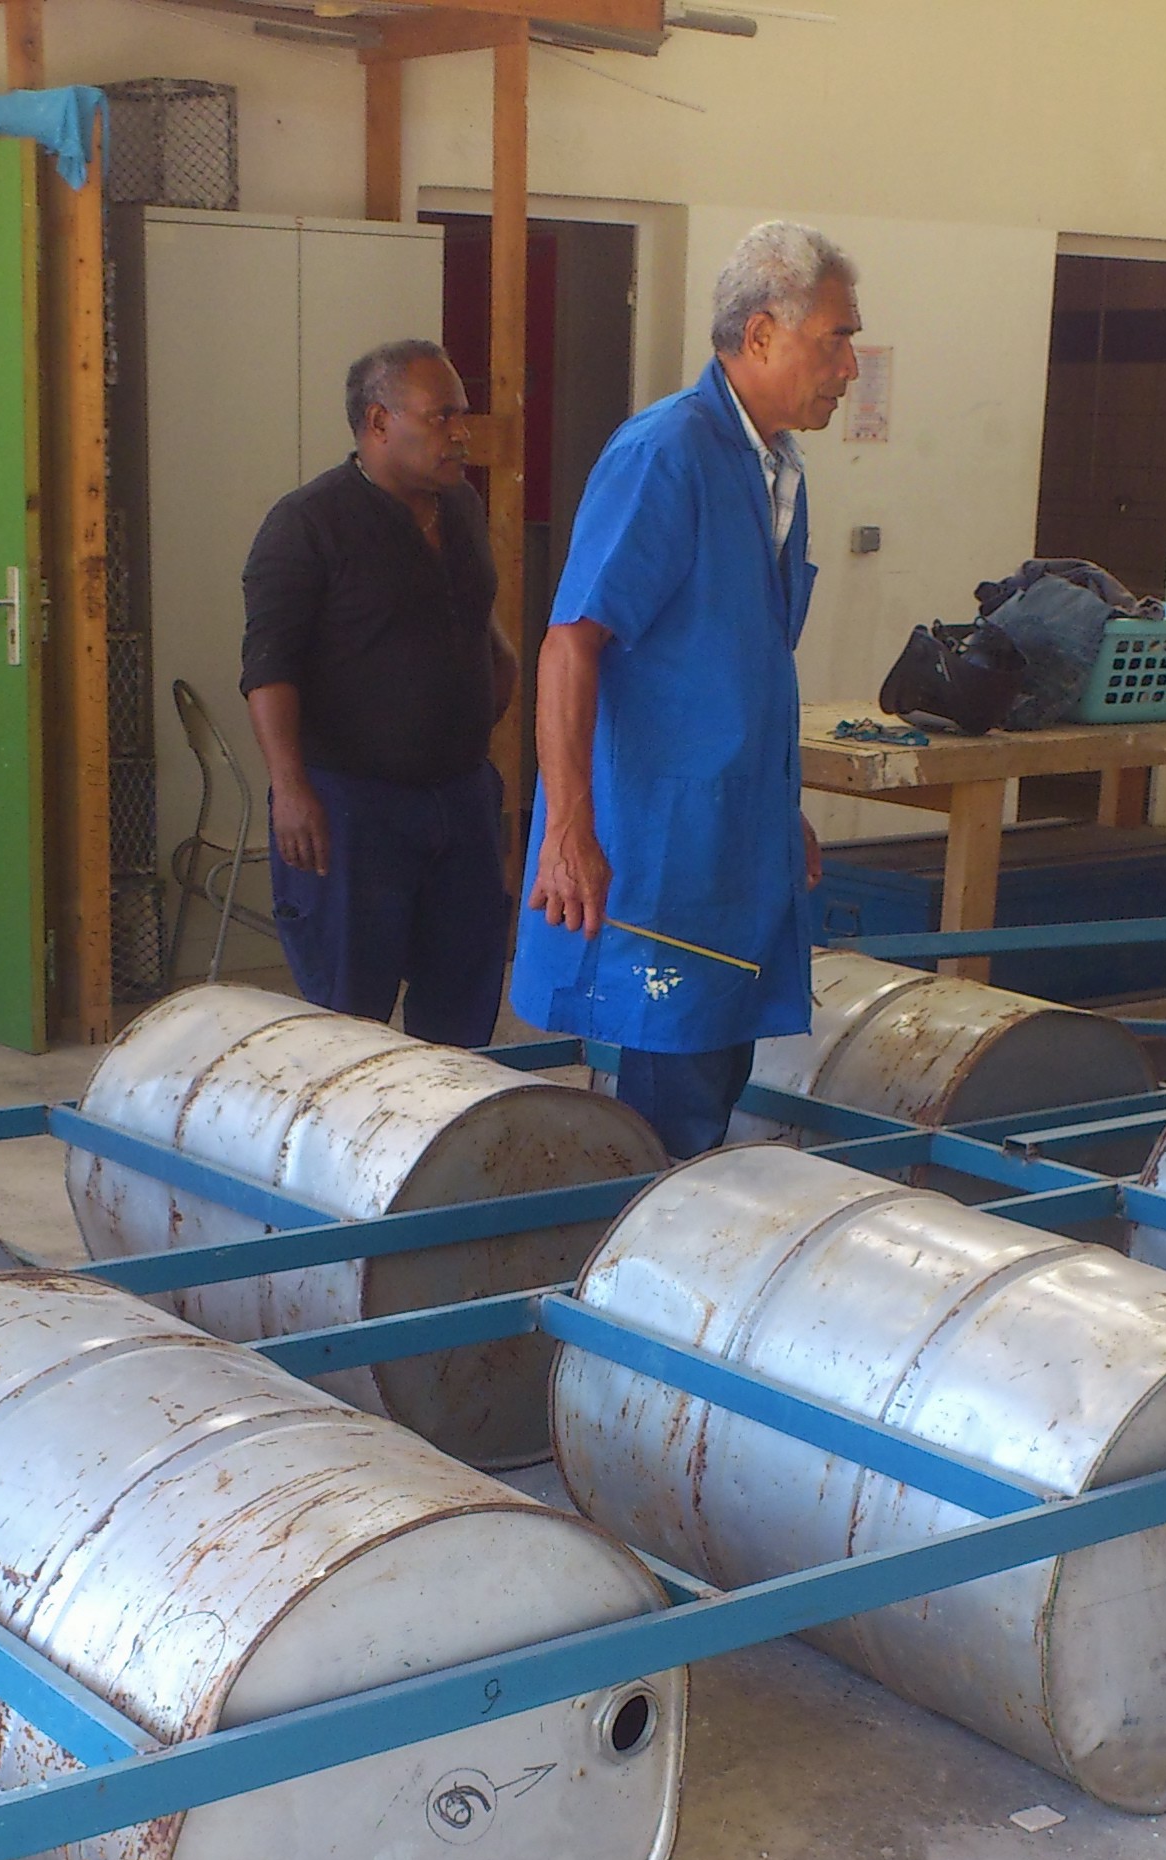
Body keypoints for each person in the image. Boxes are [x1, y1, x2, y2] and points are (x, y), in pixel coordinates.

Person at [508, 220, 861, 1158]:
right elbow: (570, 645)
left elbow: (731, 664)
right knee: (666, 1109)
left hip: (726, 839)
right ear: (761, 334)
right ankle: (636, 1247)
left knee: (709, 1081)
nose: (850, 367)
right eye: (835, 339)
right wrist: (568, 828)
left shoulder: (771, 467)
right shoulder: (666, 453)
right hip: (661, 855)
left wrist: (777, 805)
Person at [239, 340, 519, 1047]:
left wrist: (501, 667)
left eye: (463, 413)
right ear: (378, 422)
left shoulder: (460, 509)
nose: (462, 432)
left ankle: (444, 1118)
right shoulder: (308, 524)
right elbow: (269, 666)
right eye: (442, 415)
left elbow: (471, 612)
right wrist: (290, 789)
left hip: (459, 799)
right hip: (351, 808)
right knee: (350, 1025)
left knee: (461, 1016)